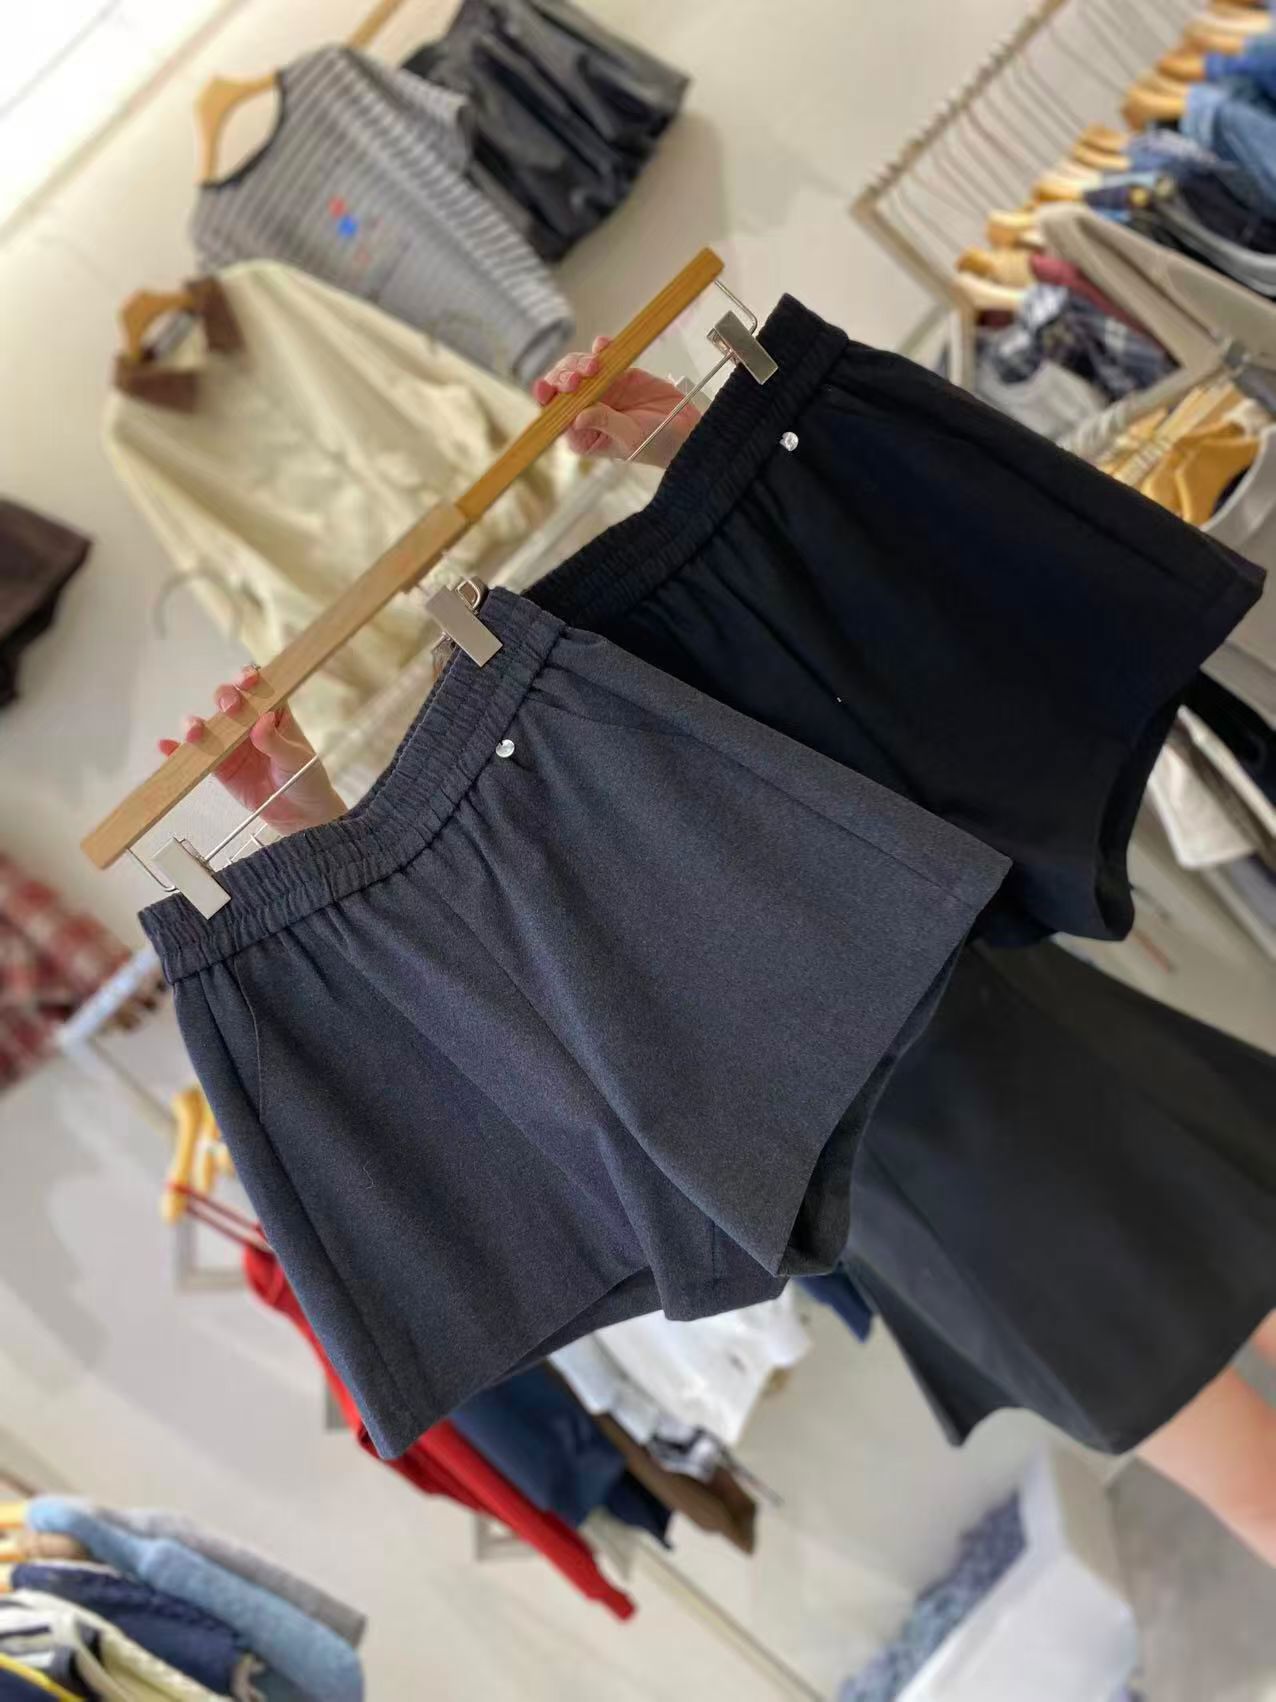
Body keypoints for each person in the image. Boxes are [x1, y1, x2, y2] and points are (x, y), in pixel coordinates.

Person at [160, 338, 1276, 1570]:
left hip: (996, 1050)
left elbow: (819, 674)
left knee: (1247, 1437)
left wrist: (700, 457)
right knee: (1246, 1464)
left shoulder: (587, 713)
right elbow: (480, 1019)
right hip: (912, 1166)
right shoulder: (510, 834)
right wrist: (313, 825)